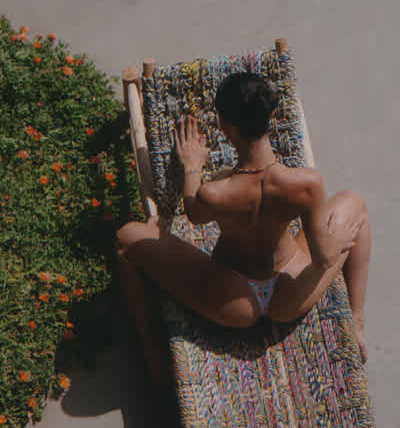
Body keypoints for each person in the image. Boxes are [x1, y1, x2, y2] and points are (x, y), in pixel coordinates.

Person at [115, 73, 370, 388]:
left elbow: (192, 212)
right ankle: (356, 322)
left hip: (236, 303)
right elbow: (323, 260)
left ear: (223, 124)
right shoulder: (306, 183)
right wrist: (338, 241)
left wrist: (192, 166)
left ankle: (154, 360)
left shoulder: (215, 192)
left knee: (126, 238)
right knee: (355, 205)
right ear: (271, 116)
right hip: (290, 296)